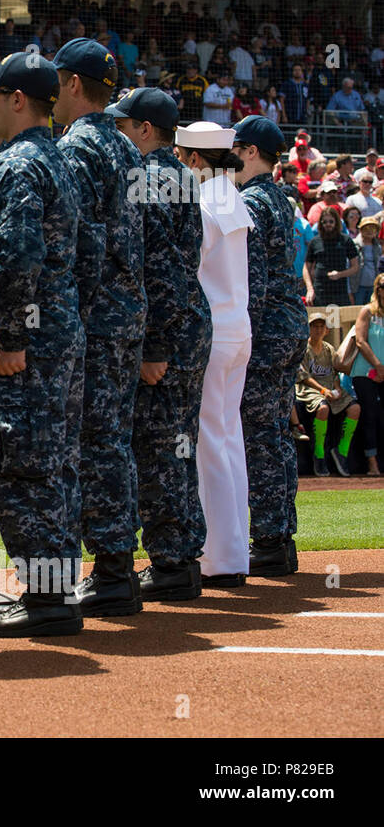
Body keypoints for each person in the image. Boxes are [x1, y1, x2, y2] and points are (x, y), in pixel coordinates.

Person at [0, 52, 86, 637]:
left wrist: (10, 337)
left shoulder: (15, 166)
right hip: (59, 337)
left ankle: (45, 599)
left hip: (27, 345)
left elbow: (17, 256)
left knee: (23, 468)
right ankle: (54, 592)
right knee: (54, 465)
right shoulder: (57, 160)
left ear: (17, 101)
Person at [50, 39, 149, 618]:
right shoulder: (127, 148)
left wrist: (72, 312)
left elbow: (81, 244)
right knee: (113, 440)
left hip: (96, 315)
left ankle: (111, 569)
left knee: (94, 444)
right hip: (129, 311)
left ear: (73, 84)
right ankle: (117, 567)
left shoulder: (81, 147)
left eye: (59, 81)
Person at [106, 88, 212, 601]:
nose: (117, 133)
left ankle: (171, 562)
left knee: (159, 449)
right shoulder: (183, 176)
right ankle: (180, 558)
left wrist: (155, 345)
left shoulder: (148, 177)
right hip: (188, 324)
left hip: (167, 332)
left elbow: (164, 271)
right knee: (176, 445)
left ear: (145, 129)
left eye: (123, 125)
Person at [229, 116, 311, 576]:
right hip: (289, 326)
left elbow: (252, 283)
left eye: (237, 149)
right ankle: (281, 536)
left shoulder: (252, 202)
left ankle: (270, 541)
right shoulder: (280, 199)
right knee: (277, 435)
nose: (232, 159)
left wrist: (243, 337)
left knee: (260, 437)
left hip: (265, 332)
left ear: (252, 151)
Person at [174, 121, 254, 586]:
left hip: (212, 333)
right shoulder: (231, 195)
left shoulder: (204, 201)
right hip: (236, 329)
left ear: (193, 159)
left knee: (209, 446)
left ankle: (219, 558)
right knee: (227, 441)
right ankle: (230, 552)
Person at [296, 310, 360, 478]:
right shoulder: (303, 348)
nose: (317, 330)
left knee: (355, 409)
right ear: (308, 329)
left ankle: (342, 451)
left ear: (327, 330)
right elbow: (304, 377)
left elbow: (334, 375)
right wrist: (323, 391)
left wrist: (337, 388)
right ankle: (319, 454)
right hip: (309, 390)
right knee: (323, 409)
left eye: (321, 327)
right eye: (314, 327)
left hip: (329, 388)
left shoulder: (329, 349)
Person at [348, 274, 384, 476]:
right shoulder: (367, 312)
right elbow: (361, 341)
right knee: (369, 414)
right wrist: (378, 366)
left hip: (383, 371)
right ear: (378, 289)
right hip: (366, 372)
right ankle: (371, 463)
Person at [303, 205, 360, 308]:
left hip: (340, 291)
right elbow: (306, 267)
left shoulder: (345, 240)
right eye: (324, 222)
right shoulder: (315, 241)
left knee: (341, 323)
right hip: (320, 290)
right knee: (320, 323)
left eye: (331, 221)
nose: (328, 224)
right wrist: (310, 289)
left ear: (336, 222)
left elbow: (355, 267)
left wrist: (340, 274)